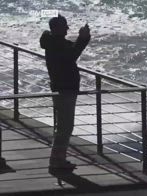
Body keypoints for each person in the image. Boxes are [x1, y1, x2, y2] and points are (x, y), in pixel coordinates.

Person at [40, 14, 90, 169]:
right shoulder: (56, 44)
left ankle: (58, 159)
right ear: (57, 28)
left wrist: (83, 39)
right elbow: (72, 55)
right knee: (65, 127)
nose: (68, 28)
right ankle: (57, 161)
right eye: (65, 25)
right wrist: (83, 38)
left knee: (63, 126)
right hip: (64, 89)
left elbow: (70, 51)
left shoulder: (53, 42)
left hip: (61, 87)